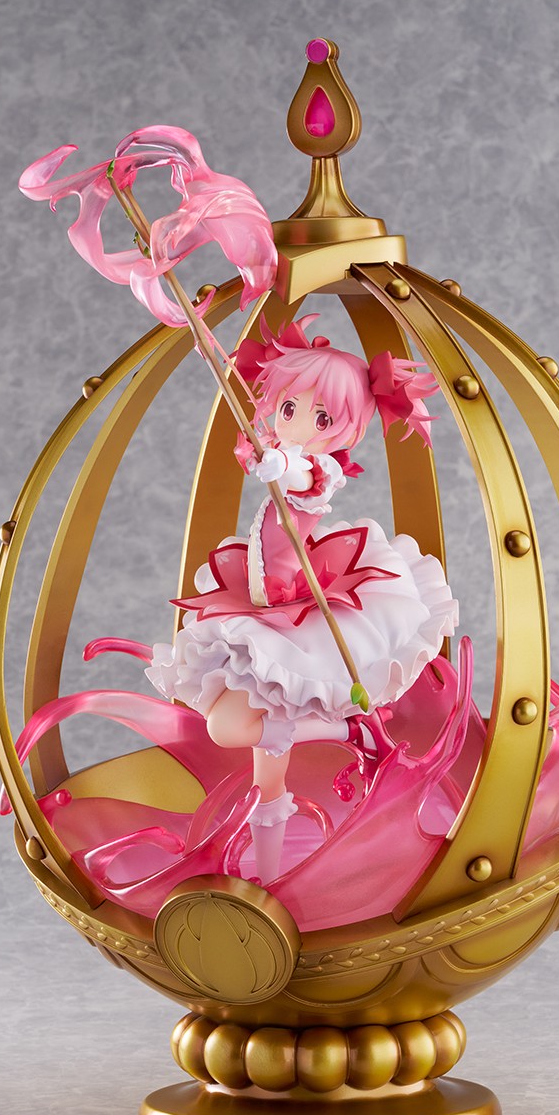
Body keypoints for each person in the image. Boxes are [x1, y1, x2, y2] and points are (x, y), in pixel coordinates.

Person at [147, 317, 457, 881]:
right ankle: (269, 879)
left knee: (229, 727)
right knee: (267, 771)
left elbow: (297, 474)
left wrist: (278, 460)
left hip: (296, 612)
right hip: (266, 607)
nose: (297, 424)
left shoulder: (318, 469)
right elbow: (272, 456)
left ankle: (347, 731)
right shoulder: (280, 451)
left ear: (347, 429)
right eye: (288, 407)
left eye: (322, 418)